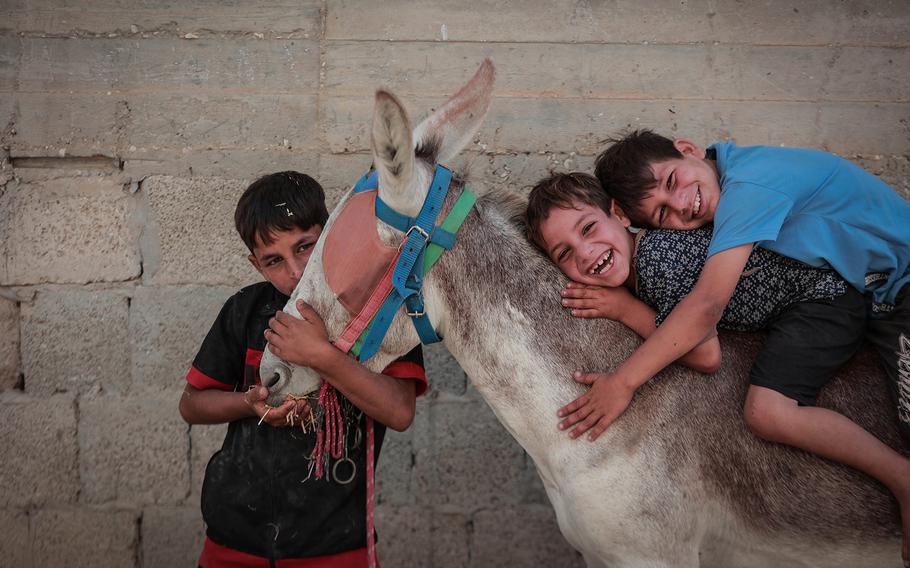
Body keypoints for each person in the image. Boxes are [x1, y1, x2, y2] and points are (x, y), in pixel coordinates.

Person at [559, 130, 909, 561]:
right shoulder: (724, 190)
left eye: (672, 182)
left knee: (769, 411)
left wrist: (623, 380)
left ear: (687, 148)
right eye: (663, 214)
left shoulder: (749, 186)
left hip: (900, 286)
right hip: (873, 295)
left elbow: (706, 306)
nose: (683, 204)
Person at [178, 171, 426, 567]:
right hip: (234, 539)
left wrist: (320, 356)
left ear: (328, 234)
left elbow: (399, 411)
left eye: (305, 247)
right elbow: (191, 405)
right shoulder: (243, 311)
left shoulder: (377, 310)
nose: (294, 272)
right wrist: (249, 403)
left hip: (334, 543)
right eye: (274, 260)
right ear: (256, 264)